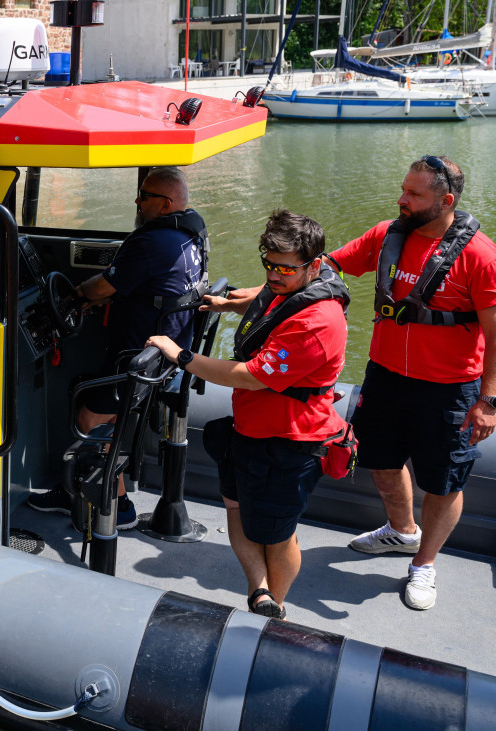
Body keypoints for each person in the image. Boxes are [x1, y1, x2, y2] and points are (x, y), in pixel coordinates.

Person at [327, 156, 496, 611]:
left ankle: (424, 565)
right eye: (403, 189)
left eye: (414, 194)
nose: (401, 199)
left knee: (444, 483)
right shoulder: (386, 236)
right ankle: (402, 533)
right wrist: (274, 287)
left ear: (445, 201)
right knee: (382, 464)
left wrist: (488, 401)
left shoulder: (483, 258)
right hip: (386, 377)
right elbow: (329, 265)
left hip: (450, 389)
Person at [147, 209, 349, 619]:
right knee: (236, 509)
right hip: (249, 430)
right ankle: (259, 591)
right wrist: (222, 303)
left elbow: (252, 377)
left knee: (278, 536)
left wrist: (181, 355)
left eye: (285, 268)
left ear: (315, 265)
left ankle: (278, 605)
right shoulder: (290, 283)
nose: (274, 275)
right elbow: (264, 300)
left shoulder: (318, 321)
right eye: (268, 264)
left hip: (288, 443)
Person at [28, 167, 207, 530]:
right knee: (91, 395)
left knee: (89, 415)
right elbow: (147, 285)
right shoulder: (189, 234)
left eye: (144, 194)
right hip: (166, 357)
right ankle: (99, 487)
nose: (137, 201)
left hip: (139, 361)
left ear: (166, 202)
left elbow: (102, 286)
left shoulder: (152, 242)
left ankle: (111, 501)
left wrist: (77, 296)